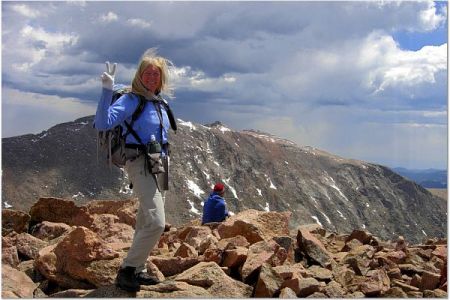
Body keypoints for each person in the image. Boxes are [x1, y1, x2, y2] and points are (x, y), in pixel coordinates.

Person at [95, 48, 173, 292]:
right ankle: (127, 270)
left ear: (162, 78)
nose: (152, 77)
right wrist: (107, 90)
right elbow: (102, 122)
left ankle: (138, 269)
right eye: (147, 73)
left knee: (144, 221)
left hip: (159, 163)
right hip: (139, 163)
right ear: (139, 76)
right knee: (157, 222)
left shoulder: (160, 102)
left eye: (156, 74)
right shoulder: (131, 99)